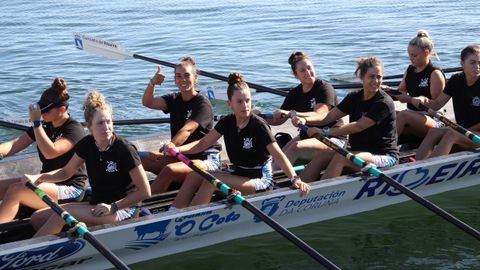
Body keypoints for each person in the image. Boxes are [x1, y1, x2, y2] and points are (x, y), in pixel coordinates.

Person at [169, 73, 310, 209]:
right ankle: (173, 212)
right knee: (194, 175)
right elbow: (203, 143)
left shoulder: (259, 126)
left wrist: (295, 179)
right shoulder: (227, 122)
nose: (245, 105)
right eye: (240, 101)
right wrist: (177, 149)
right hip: (239, 174)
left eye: (248, 100)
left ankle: (189, 218)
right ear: (230, 103)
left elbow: (279, 155)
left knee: (210, 181)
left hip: (260, 181)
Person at [28, 90, 151, 237]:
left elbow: (145, 191)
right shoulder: (87, 144)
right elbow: (66, 172)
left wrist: (113, 206)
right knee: (37, 218)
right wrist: (38, 178)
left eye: (108, 122)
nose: (106, 128)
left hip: (122, 209)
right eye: (100, 123)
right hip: (98, 205)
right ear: (90, 126)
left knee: (60, 215)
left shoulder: (124, 149)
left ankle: (26, 254)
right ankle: (70, 240)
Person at [0, 78, 87, 224]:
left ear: (62, 109)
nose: (42, 114)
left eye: (46, 110)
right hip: (46, 180)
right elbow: (15, 144)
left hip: (71, 188)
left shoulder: (74, 129)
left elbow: (51, 152)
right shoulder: (45, 125)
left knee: (16, 190)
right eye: (41, 110)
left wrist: (36, 123)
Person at [297, 57, 398, 180]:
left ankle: (322, 194)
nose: (376, 81)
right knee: (321, 156)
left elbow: (358, 126)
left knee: (341, 158)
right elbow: (328, 117)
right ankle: (298, 191)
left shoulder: (383, 102)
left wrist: (324, 132)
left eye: (379, 77)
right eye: (372, 76)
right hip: (359, 151)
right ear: (361, 77)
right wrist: (304, 119)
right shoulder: (354, 97)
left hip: (383, 155)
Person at [140, 56, 221, 194]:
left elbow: (187, 130)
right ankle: (126, 192)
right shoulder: (174, 99)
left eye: (187, 75)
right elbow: (148, 102)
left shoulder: (202, 104)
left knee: (169, 170)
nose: (183, 80)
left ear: (195, 78)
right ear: (175, 80)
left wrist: (171, 145)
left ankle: (140, 205)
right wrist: (152, 82)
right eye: (179, 76)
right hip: (180, 155)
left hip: (205, 159)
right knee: (138, 159)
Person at [259, 51, 344, 169]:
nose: (308, 72)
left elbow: (320, 114)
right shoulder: (294, 93)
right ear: (296, 75)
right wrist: (258, 116)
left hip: (332, 138)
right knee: (278, 152)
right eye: (303, 71)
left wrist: (292, 113)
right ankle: (267, 173)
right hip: (308, 137)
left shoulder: (324, 88)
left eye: (309, 68)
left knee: (296, 147)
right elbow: (278, 120)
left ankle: (267, 181)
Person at [415, 45, 480, 160]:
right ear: (462, 63)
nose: (477, 67)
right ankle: (415, 167)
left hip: (475, 132)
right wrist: (422, 100)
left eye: (479, 63)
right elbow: (437, 104)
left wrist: (465, 130)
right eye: (473, 63)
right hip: (463, 131)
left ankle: (430, 170)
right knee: (434, 132)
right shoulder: (456, 80)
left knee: (451, 134)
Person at [393, 30, 446, 144]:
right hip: (412, 114)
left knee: (404, 115)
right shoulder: (410, 69)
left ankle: (384, 150)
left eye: (414, 55)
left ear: (426, 53)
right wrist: (385, 90)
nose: (410, 58)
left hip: (433, 119)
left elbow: (436, 105)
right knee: (387, 113)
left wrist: (422, 100)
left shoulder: (434, 73)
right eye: (409, 54)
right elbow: (400, 92)